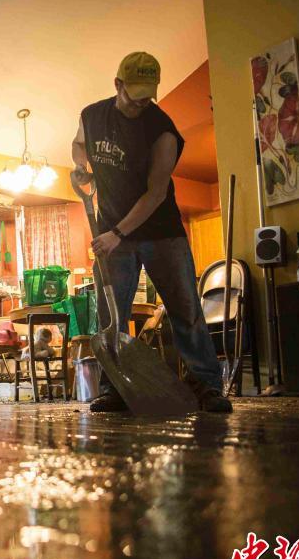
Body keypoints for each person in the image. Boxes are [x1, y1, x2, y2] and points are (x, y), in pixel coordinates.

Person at [71, 52, 231, 413]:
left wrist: (116, 234)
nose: (142, 101)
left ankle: (207, 385)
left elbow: (156, 193)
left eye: (148, 94)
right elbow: (79, 144)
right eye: (135, 93)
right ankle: (116, 389)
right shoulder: (92, 115)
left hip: (161, 234)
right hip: (115, 234)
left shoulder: (162, 129)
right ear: (117, 85)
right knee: (113, 316)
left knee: (186, 309)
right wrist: (82, 168)